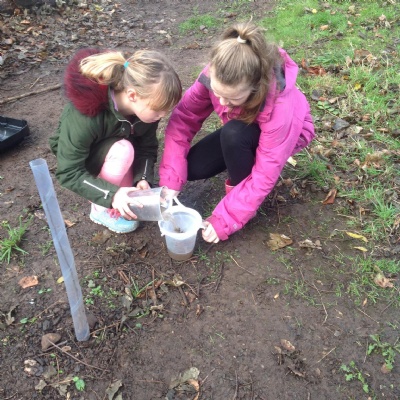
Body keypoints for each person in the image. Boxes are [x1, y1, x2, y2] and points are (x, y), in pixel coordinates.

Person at [159, 22, 315, 243]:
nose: (222, 102)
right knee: (192, 168)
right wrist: (172, 177)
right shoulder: (216, 73)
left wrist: (225, 219)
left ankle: (240, 195)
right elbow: (183, 119)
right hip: (243, 126)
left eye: (232, 98)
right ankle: (242, 165)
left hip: (282, 135)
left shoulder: (280, 109)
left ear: (255, 87)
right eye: (217, 93)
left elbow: (265, 172)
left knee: (234, 135)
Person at [49, 48, 182, 233]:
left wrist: (142, 179)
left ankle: (118, 186)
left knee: (127, 168)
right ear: (132, 95)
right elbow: (69, 171)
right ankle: (99, 210)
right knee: (123, 150)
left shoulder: (147, 111)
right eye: (159, 110)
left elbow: (147, 147)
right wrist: (112, 195)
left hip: (117, 151)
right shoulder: (85, 115)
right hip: (86, 162)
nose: (163, 115)